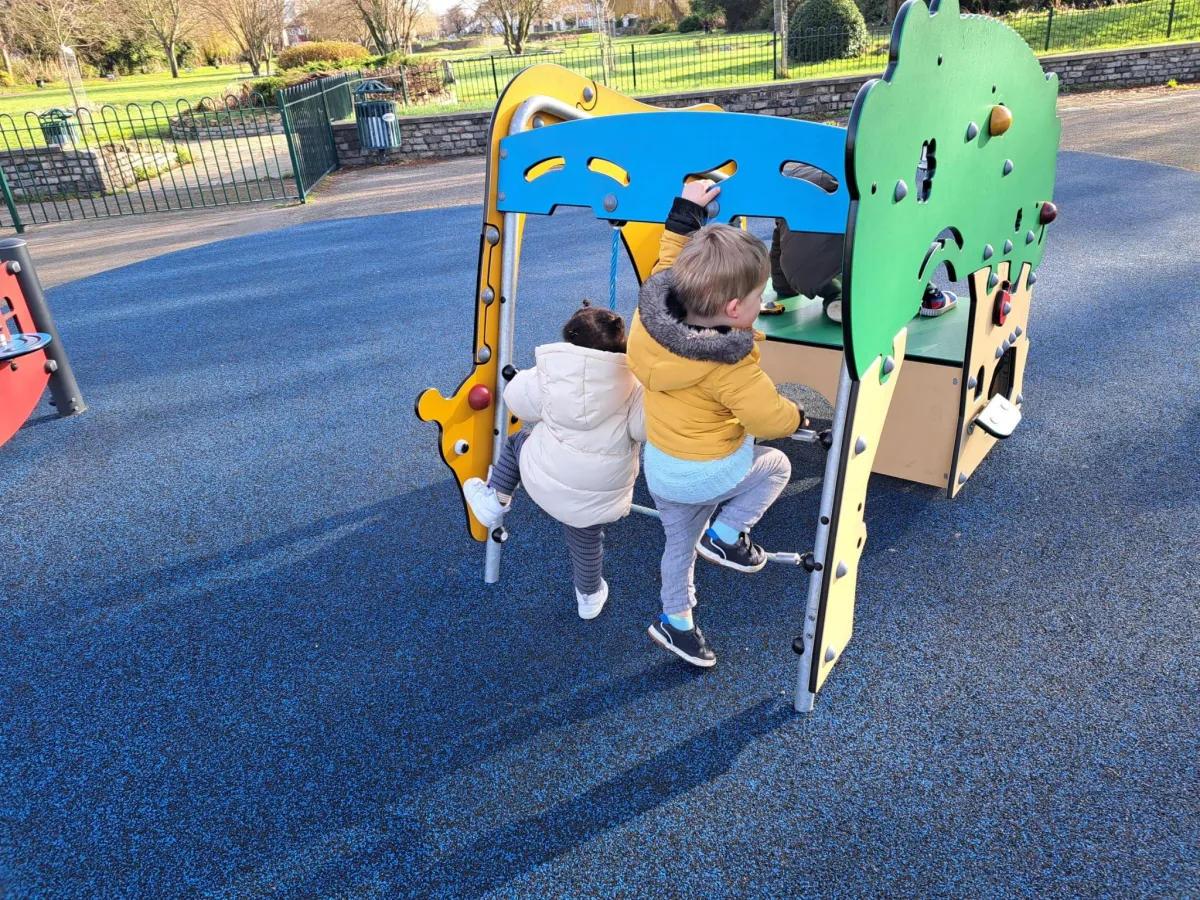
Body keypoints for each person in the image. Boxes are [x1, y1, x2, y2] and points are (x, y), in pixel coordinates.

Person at [627, 179, 804, 668]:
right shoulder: (731, 362)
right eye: (757, 296)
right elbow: (767, 417)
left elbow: (667, 263)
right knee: (777, 466)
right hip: (711, 472)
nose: (760, 302)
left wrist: (684, 211)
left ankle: (676, 622)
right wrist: (800, 416)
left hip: (662, 469)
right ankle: (727, 534)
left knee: (676, 547)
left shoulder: (648, 319)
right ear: (734, 310)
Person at [462, 304, 645, 620]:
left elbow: (517, 400)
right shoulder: (635, 384)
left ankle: (496, 498)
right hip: (597, 493)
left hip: (543, 477)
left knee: (519, 441)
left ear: (569, 343)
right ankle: (588, 597)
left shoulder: (551, 375)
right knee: (586, 539)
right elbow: (645, 427)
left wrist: (521, 378)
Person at [769, 163, 957, 322]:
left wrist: (784, 288)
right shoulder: (862, 178)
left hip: (799, 275)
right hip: (843, 259)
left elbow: (777, 246)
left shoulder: (791, 184)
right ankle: (930, 295)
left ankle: (837, 297)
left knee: (822, 262)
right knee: (886, 240)